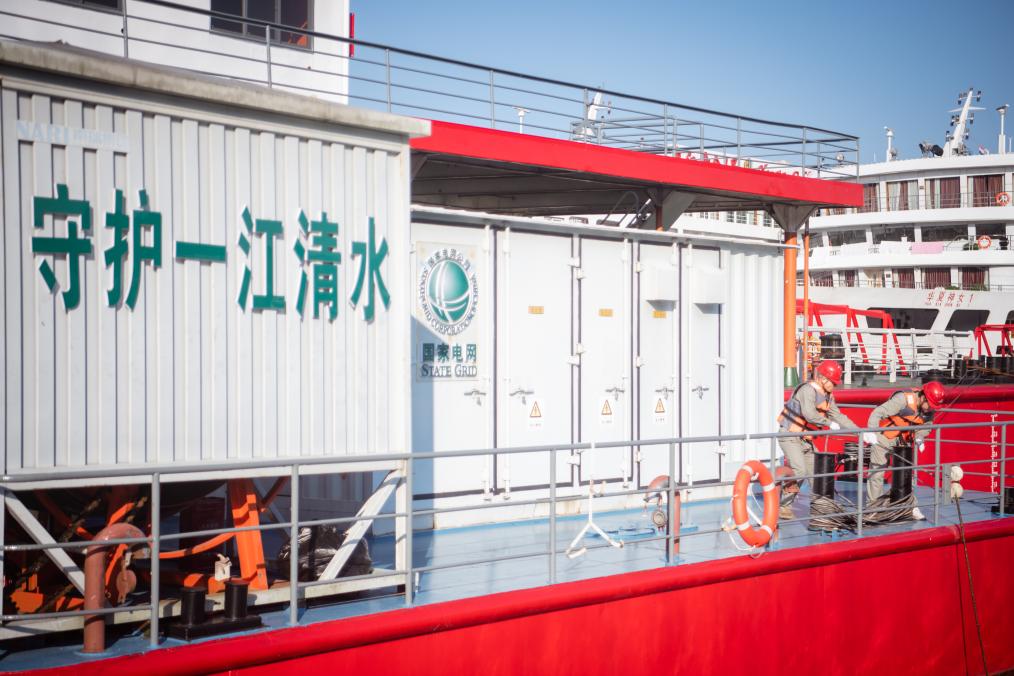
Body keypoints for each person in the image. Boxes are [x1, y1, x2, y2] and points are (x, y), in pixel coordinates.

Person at [776, 360, 859, 519]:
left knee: (817, 472)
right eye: (833, 382)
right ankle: (784, 505)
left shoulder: (828, 396)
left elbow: (838, 415)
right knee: (799, 471)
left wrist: (859, 431)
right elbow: (809, 414)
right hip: (790, 435)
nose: (835, 386)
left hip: (805, 439)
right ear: (823, 378)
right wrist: (829, 423)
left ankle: (820, 505)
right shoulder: (807, 390)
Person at [862, 381, 946, 520]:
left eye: (933, 407)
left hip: (903, 442)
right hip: (883, 438)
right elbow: (877, 413)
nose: (931, 409)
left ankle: (909, 506)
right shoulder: (902, 399)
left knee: (906, 474)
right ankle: (873, 509)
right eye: (930, 405)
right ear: (923, 397)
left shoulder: (929, 409)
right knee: (877, 472)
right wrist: (872, 432)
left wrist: (919, 437)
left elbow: (926, 425)